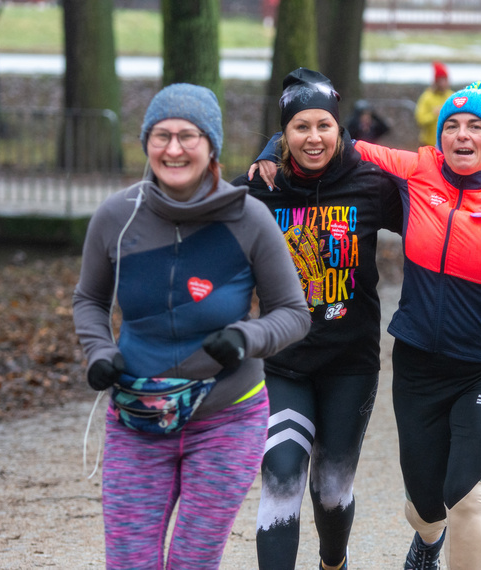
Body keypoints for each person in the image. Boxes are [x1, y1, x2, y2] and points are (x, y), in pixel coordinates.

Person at [256, 80, 481, 569]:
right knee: (424, 503)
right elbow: (332, 137)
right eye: (453, 126)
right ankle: (427, 539)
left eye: (477, 126)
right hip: (419, 361)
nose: (463, 135)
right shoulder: (419, 170)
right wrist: (274, 145)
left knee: (466, 496)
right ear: (440, 135)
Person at [72, 83, 310, 570]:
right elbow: (89, 300)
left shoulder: (250, 219)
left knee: (191, 563)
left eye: (188, 136)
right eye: (161, 136)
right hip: (137, 417)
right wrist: (99, 351)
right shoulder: (116, 217)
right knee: (130, 562)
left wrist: (247, 337)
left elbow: (293, 313)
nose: (173, 149)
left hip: (226, 420)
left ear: (212, 146)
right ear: (145, 143)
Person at [233, 68, 402, 570]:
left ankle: (334, 562)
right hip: (284, 363)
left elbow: (438, 223)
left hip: (350, 365)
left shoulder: (371, 185)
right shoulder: (261, 189)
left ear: (340, 128)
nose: (313, 137)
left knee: (331, 489)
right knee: (282, 474)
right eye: (300, 127)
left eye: (324, 125)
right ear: (282, 134)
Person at [414, 61, 453, 148]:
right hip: (428, 144)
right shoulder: (427, 97)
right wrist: (434, 114)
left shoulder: (451, 96)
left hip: (447, 144)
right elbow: (420, 120)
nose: (444, 83)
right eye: (441, 80)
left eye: (445, 79)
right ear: (436, 82)